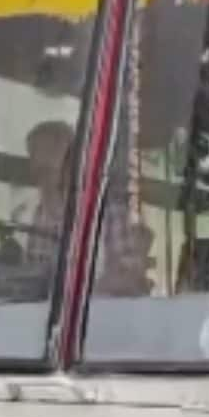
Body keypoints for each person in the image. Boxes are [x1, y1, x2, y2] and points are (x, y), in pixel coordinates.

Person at [23, 120, 154, 296]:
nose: (42, 180)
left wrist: (82, 296)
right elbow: (34, 277)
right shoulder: (40, 215)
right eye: (38, 170)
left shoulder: (110, 212)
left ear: (73, 162)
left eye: (48, 169)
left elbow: (129, 278)